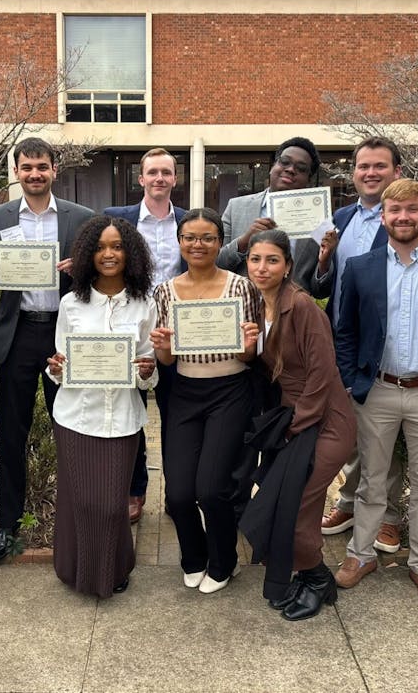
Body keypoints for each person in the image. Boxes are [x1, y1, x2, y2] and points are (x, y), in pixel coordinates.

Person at [333, 179, 418, 606]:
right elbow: (345, 331)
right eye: (395, 211)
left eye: (412, 210)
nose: (403, 217)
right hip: (376, 391)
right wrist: (351, 383)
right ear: (384, 216)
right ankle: (361, 555)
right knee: (372, 482)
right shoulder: (361, 267)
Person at [320, 136, 418, 554]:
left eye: (380, 166)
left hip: (392, 350)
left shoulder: (413, 219)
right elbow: (331, 283)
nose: (370, 173)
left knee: (386, 439)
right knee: (362, 435)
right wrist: (324, 261)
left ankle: (388, 518)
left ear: (396, 171)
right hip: (346, 342)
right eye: (363, 166)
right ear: (353, 172)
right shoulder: (341, 217)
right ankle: (351, 504)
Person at [0, 137, 95, 562]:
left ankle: (79, 521)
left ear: (54, 169)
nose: (35, 174)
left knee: (73, 431)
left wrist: (84, 271)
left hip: (65, 336)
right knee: (12, 433)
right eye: (27, 167)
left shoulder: (82, 219)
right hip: (18, 334)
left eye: (42, 166)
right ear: (17, 172)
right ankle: (7, 525)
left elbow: (101, 274)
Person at [244, 228, 356, 620]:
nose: (262, 267)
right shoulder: (256, 305)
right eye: (255, 259)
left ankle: (317, 577)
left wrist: (294, 426)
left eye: (272, 260)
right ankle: (310, 576)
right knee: (283, 503)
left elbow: (322, 375)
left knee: (298, 505)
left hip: (324, 421)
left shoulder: (303, 306)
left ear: (288, 266)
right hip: (291, 419)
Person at [45, 216, 158, 597]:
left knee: (112, 504)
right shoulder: (71, 304)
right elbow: (60, 368)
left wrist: (147, 369)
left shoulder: (144, 304)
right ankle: (73, 569)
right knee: (81, 500)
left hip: (123, 418)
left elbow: (148, 370)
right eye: (99, 247)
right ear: (86, 254)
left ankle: (115, 567)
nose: (108, 254)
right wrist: (57, 367)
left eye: (117, 247)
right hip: (76, 416)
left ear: (131, 253)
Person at [150, 208, 261, 594]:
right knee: (178, 492)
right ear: (179, 243)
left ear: (220, 242)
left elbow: (249, 356)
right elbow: (166, 360)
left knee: (211, 489)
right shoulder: (165, 291)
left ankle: (224, 561)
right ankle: (193, 557)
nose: (198, 245)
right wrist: (163, 349)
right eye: (190, 238)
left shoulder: (241, 287)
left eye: (208, 238)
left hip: (230, 392)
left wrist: (250, 347)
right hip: (184, 392)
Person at [103, 148, 186, 523]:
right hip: (129, 328)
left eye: (165, 172)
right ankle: (135, 490)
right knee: (130, 413)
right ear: (141, 178)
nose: (159, 178)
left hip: (176, 333)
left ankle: (176, 492)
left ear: (175, 178)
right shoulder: (116, 220)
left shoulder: (188, 222)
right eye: (152, 172)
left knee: (175, 415)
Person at [217, 136, 335, 297]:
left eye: (301, 168)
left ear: (308, 179)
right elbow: (217, 265)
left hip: (293, 314)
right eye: (285, 162)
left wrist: (325, 261)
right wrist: (244, 241)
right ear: (273, 166)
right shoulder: (236, 207)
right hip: (244, 311)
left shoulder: (320, 220)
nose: (290, 170)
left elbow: (321, 291)